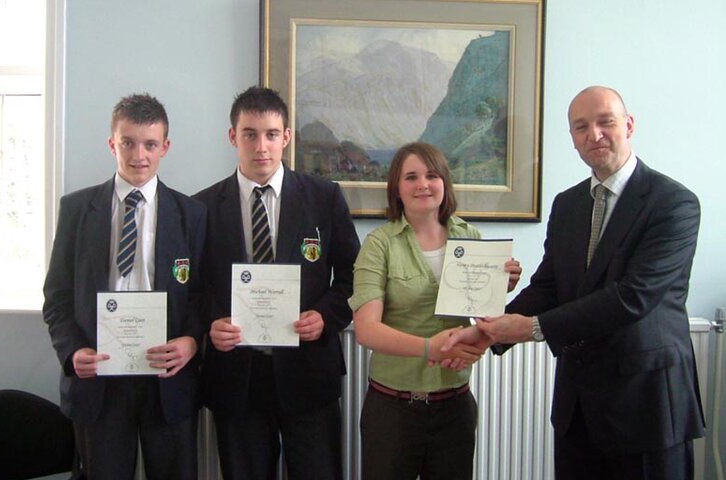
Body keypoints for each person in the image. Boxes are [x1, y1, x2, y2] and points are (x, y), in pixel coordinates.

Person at [444, 86, 705, 480]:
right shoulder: (567, 205)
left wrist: (532, 328)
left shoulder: (673, 203)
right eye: (581, 127)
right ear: (572, 138)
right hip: (578, 407)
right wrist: (490, 333)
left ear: (629, 125)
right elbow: (549, 286)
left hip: (646, 405)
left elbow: (632, 298)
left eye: (605, 122)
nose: (593, 134)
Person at [194, 86, 360, 480]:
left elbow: (356, 275)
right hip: (237, 377)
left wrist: (326, 315)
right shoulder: (200, 207)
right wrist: (211, 321)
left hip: (309, 372)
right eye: (250, 134)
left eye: (271, 134)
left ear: (286, 137)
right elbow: (194, 287)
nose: (261, 146)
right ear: (233, 137)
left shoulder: (325, 198)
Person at [43, 93, 206, 479]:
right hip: (99, 379)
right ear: (112, 143)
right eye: (128, 142)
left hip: (166, 378)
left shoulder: (192, 214)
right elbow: (57, 298)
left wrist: (192, 341)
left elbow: (204, 295)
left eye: (150, 144)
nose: (138, 155)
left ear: (165, 147)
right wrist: (72, 352)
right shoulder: (77, 210)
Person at [348, 142, 521, 480]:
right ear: (397, 189)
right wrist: (431, 348)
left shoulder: (469, 236)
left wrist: (503, 286)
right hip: (393, 411)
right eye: (411, 177)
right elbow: (367, 329)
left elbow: (482, 316)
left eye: (431, 175)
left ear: (445, 182)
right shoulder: (378, 244)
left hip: (454, 407)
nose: (423, 184)